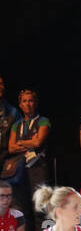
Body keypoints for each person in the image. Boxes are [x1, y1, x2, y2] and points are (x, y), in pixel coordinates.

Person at [8, 89, 51, 217]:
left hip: (38, 168)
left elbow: (38, 143)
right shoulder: (17, 125)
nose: (28, 104)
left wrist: (19, 143)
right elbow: (11, 148)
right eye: (24, 101)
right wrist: (29, 142)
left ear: (35, 103)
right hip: (20, 168)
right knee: (20, 207)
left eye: (31, 101)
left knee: (40, 207)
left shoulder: (43, 121)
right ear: (20, 105)